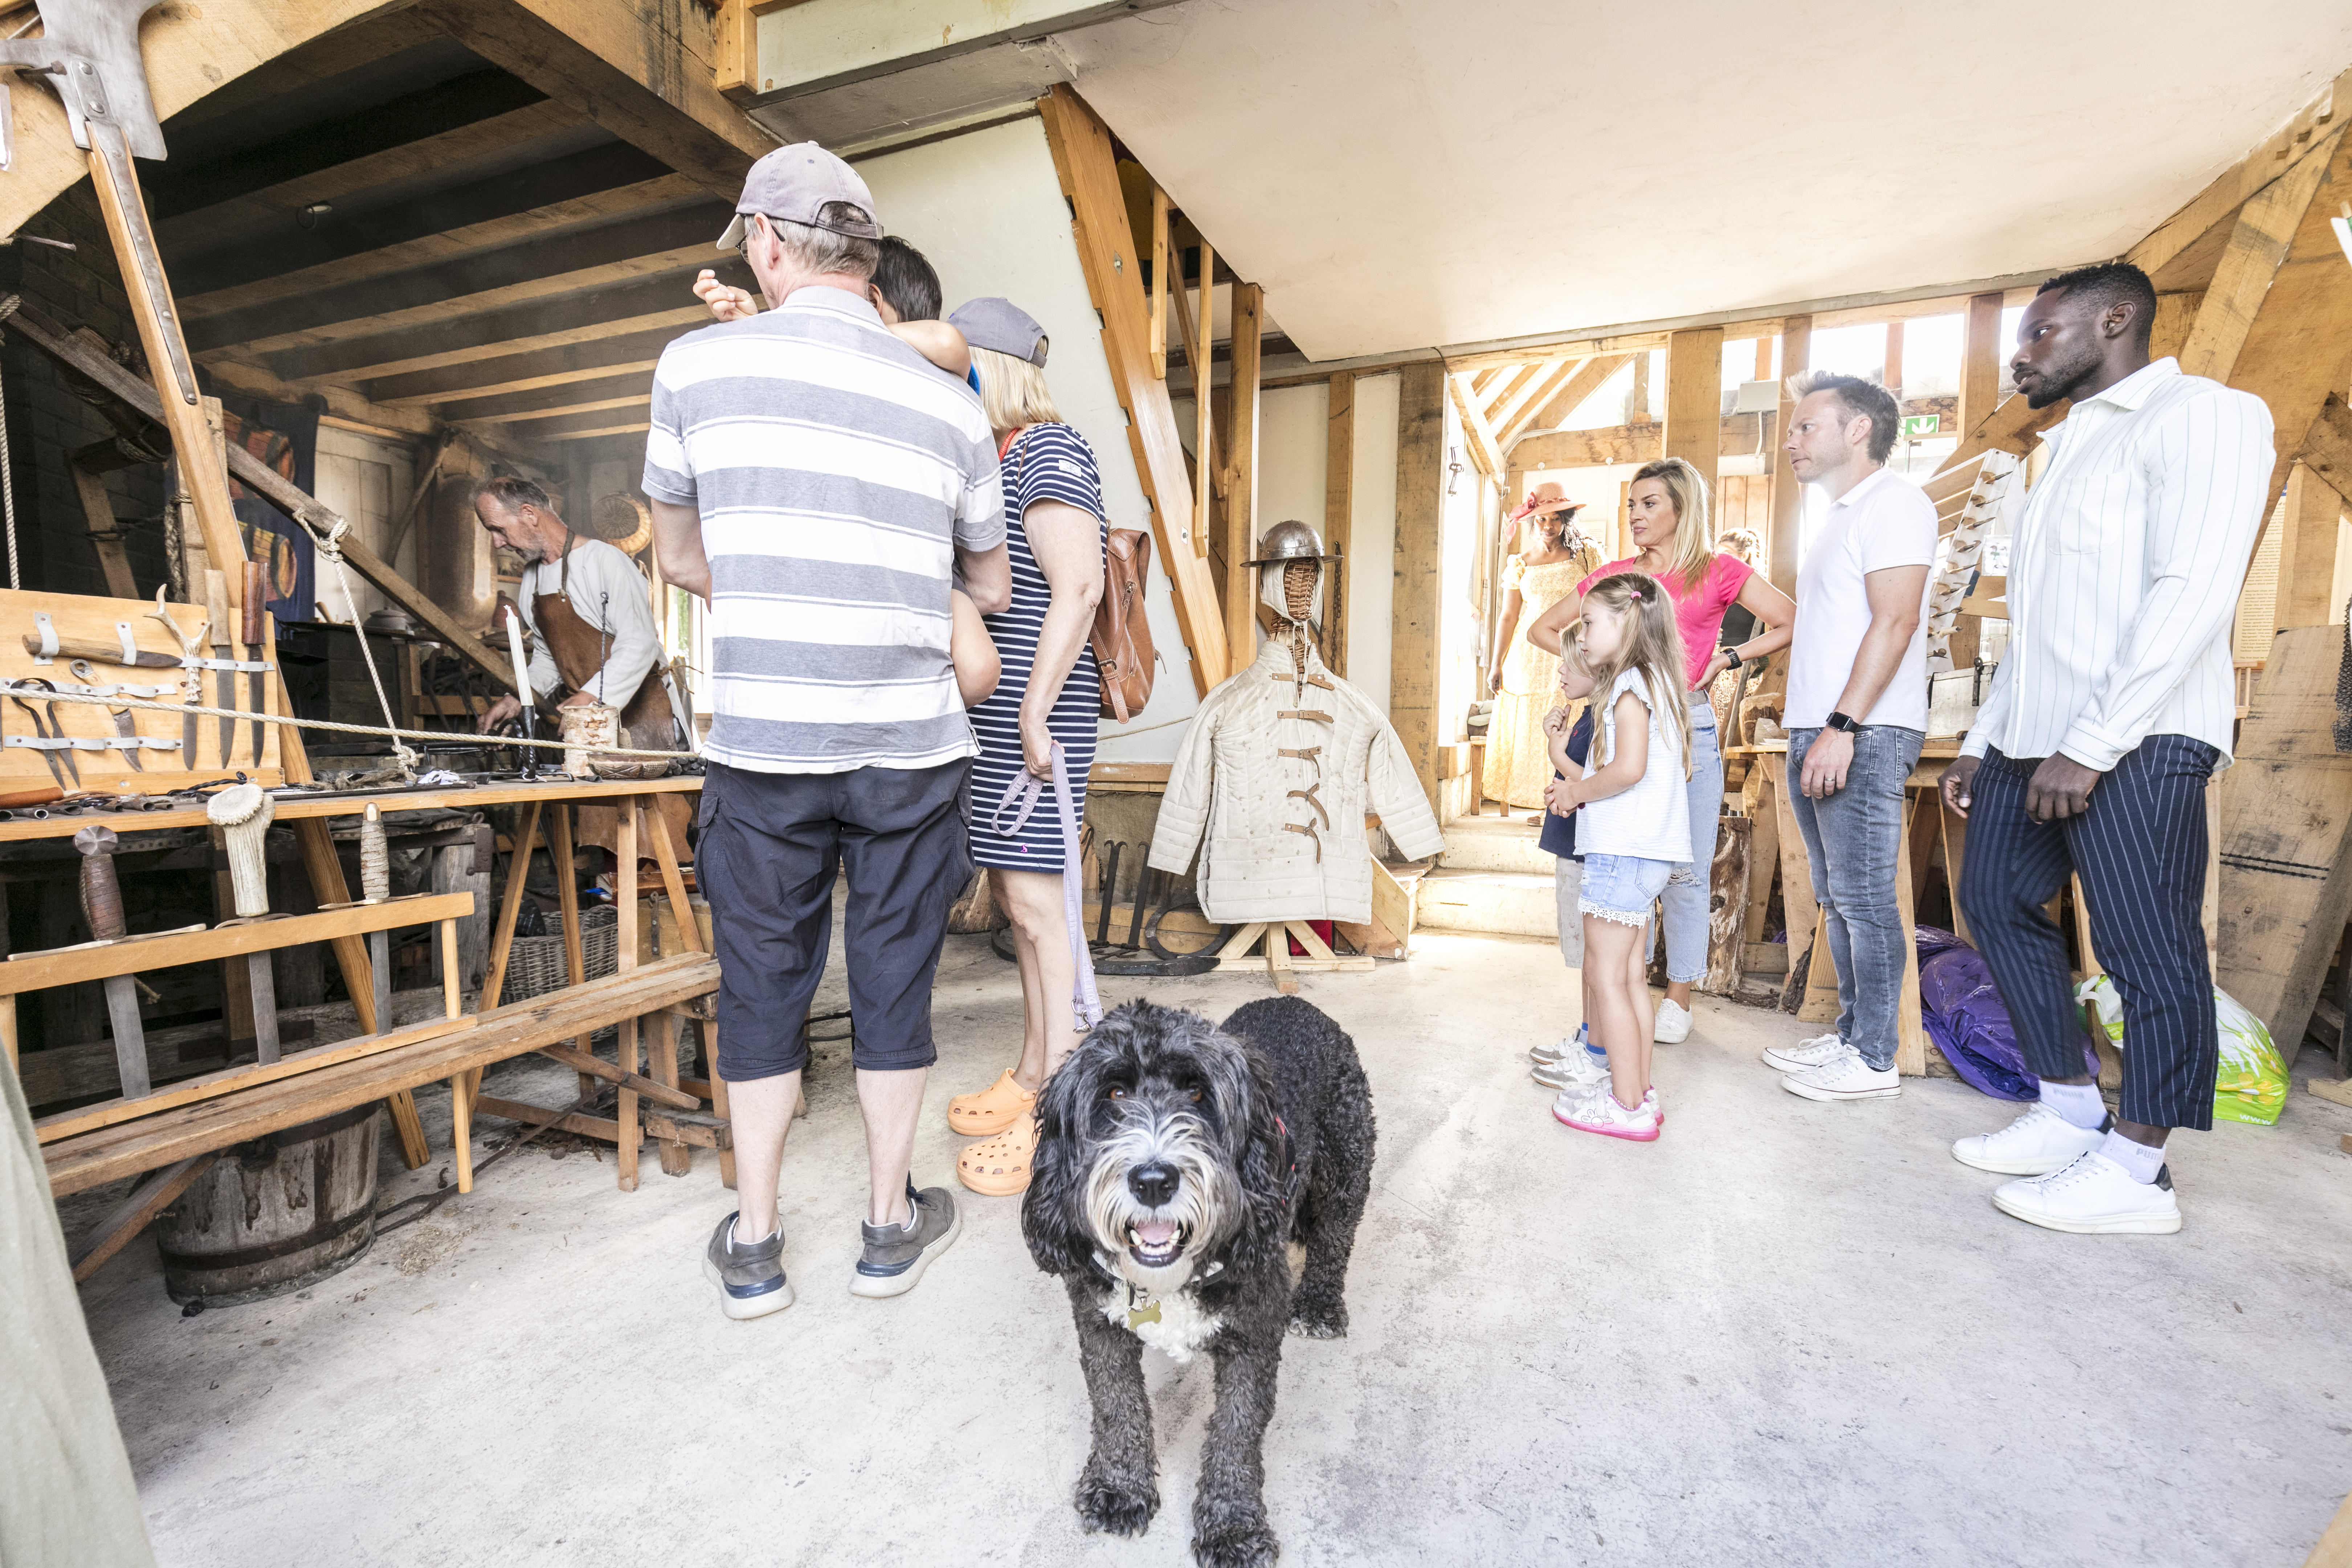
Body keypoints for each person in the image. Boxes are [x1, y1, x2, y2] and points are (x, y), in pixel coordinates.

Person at [644, 143, 1012, 1318]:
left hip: (765, 743)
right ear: (866, 254)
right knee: (896, 979)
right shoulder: (947, 404)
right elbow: (992, 589)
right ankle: (889, 1228)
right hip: (911, 747)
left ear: (763, 244)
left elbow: (684, 556)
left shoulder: (694, 369)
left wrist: (770, 582)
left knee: (762, 981)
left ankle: (754, 1244)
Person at [1940, 261, 2273, 1236]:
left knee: (2146, 946)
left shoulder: (2205, 416)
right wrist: (1985, 737)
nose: (2021, 355)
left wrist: (2092, 744)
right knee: (1996, 899)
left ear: (2115, 319)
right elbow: (2041, 627)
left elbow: (2194, 588)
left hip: (2143, 734)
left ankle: (2139, 1171)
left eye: (2039, 333)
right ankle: (2070, 1106)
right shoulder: (2068, 449)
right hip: (2034, 737)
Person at [1526, 456, 1795, 1044]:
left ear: (1681, 509)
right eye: (1631, 505)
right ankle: (1631, 990)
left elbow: (1788, 621)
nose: (1636, 515)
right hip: (1623, 723)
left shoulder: (1720, 570)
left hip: (1690, 725)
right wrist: (1601, 675)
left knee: (1686, 870)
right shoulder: (1619, 577)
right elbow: (1544, 630)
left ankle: (1679, 996)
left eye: (1650, 504)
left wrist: (1725, 660)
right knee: (1624, 858)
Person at [936, 295, 1107, 1200]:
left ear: (989, 369)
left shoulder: (1048, 448)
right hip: (1003, 721)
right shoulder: (1002, 457)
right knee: (1019, 900)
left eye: (957, 370)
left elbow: (1077, 586)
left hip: (1037, 717)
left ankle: (1062, 1123)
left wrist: (1036, 710)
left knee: (1045, 916)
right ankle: (1037, 1070)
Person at [1764, 372, 1934, 1104]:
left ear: (1857, 429)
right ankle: (1849, 1040)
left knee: (1866, 900)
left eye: (1807, 427)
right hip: (1821, 729)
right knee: (1840, 898)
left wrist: (1841, 726)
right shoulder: (1838, 514)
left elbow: (1894, 622)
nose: (1791, 441)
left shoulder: (1896, 504)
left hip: (1858, 732)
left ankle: (1874, 1059)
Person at [471, 475, 695, 856]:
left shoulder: (604, 561)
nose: (497, 542)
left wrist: (590, 696)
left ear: (529, 515)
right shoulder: (532, 578)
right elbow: (548, 658)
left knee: (664, 846)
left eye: (498, 529)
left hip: (646, 720)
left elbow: (639, 642)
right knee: (608, 847)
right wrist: (519, 698)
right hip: (591, 733)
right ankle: (620, 912)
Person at [1544, 573, 1693, 1142]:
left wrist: (1576, 792)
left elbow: (1626, 770)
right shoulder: (1653, 682)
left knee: (1609, 978)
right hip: (1642, 851)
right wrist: (1569, 774)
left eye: (1589, 623)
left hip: (1621, 853)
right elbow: (1632, 778)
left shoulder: (1630, 687)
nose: (1581, 637)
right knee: (1630, 980)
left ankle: (1625, 1104)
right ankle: (1638, 1092)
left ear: (1626, 623)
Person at [1483, 482, 1601, 815]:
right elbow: (1508, 616)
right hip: (1529, 652)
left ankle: (1568, 794)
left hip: (1572, 647)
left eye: (1555, 519)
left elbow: (1606, 600)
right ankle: (1542, 802)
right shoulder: (1520, 562)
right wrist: (1497, 664)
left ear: (1567, 519)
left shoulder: (1587, 555)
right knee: (1536, 725)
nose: (1548, 526)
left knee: (1568, 720)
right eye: (1541, 520)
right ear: (1532, 523)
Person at [1527, 644, 1610, 1092]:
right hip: (1573, 847)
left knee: (1597, 960)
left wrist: (1558, 757)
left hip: (1588, 853)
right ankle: (1588, 1037)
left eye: (1570, 663)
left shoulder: (1605, 718)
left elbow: (1599, 781)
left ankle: (1598, 1051)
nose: (1560, 669)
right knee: (1586, 960)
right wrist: (1557, 746)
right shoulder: (1587, 714)